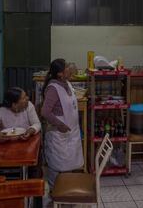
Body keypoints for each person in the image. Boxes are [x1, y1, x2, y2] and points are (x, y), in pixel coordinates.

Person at [41, 58, 84, 190]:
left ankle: (66, 194)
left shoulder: (67, 83)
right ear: (60, 73)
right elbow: (45, 112)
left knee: (69, 167)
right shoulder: (53, 88)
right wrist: (60, 125)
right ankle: (55, 196)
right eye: (66, 67)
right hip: (58, 134)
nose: (69, 69)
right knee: (57, 168)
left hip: (70, 134)